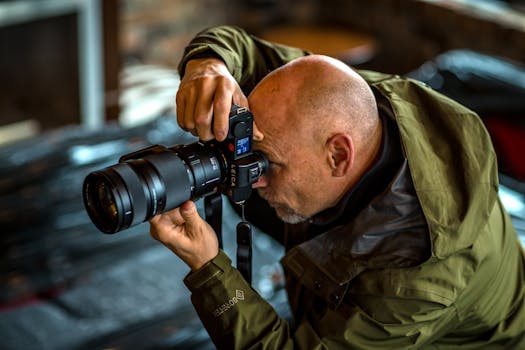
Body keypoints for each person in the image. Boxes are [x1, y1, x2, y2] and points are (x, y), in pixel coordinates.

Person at [149, 26, 525, 349]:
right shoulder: (345, 96)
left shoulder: (410, 280)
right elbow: (240, 47)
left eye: (269, 163)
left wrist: (209, 267)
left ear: (338, 155)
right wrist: (210, 64)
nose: (255, 177)